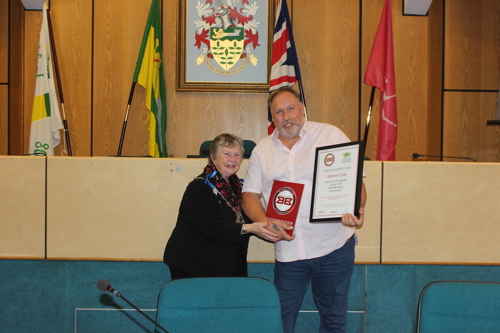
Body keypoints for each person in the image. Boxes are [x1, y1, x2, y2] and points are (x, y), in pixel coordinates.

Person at [242, 87, 367, 333]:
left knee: (334, 319)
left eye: (291, 108)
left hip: (333, 247)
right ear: (272, 117)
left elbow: (356, 182)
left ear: (302, 109)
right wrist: (265, 223)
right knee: (280, 322)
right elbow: (249, 196)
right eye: (279, 112)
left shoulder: (330, 135)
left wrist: (357, 207)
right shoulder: (262, 149)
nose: (286, 116)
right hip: (289, 252)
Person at [163, 133, 281, 279]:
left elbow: (248, 218)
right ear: (213, 157)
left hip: (225, 263)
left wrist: (272, 225)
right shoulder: (199, 187)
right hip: (193, 264)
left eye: (237, 155)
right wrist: (249, 228)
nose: (233, 159)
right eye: (227, 154)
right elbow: (211, 227)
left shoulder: (240, 188)